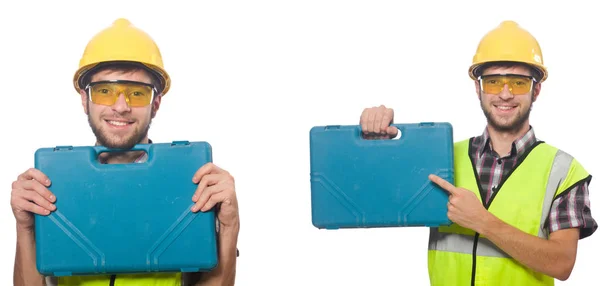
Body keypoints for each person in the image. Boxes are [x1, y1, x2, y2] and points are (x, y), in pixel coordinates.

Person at [359, 21, 596, 285]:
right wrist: (378, 146)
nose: (505, 94)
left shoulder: (564, 171)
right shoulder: (441, 157)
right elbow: (379, 200)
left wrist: (483, 222)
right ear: (478, 88)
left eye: (518, 83)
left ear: (535, 90)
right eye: (493, 82)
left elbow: (562, 263)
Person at [10, 18, 239, 286]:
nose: (120, 107)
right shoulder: (55, 185)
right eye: (105, 91)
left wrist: (229, 226)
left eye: (137, 93)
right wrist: (25, 228)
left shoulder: (190, 182)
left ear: (156, 104)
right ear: (85, 100)